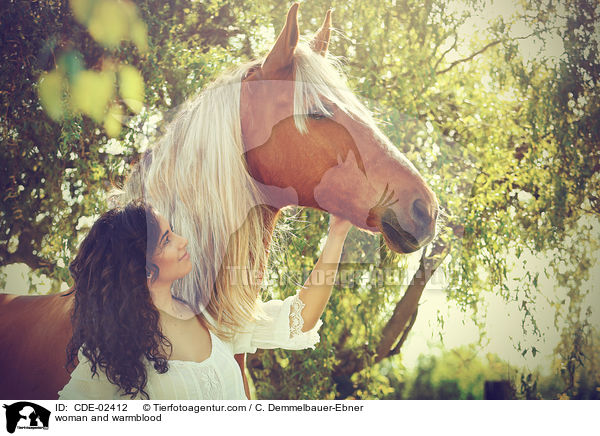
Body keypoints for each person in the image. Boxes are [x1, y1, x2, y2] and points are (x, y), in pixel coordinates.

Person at [58, 201, 352, 400]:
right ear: (143, 268)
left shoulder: (211, 315)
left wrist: (337, 233)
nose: (182, 240)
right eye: (167, 240)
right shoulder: (112, 354)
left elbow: (298, 320)